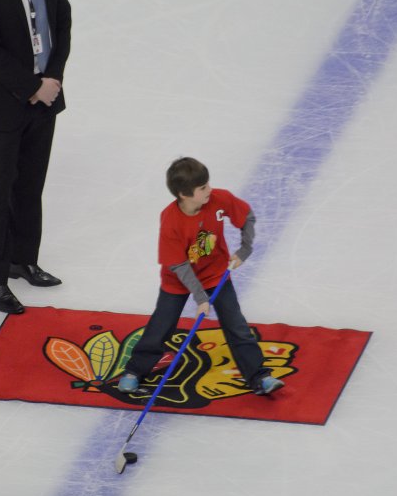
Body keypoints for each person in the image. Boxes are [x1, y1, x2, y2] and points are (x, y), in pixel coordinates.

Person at [118, 157, 285, 396]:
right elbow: (179, 265)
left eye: (208, 184)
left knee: (236, 326)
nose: (210, 190)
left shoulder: (219, 199)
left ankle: (259, 376)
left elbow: (246, 216)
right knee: (161, 327)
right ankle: (134, 371)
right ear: (184, 194)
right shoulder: (170, 220)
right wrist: (200, 298)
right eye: (203, 188)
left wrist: (245, 249)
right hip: (178, 280)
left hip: (215, 275)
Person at [0, 0, 72, 314]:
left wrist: (51, 79)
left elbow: (62, 26)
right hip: (4, 104)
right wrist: (31, 87)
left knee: (30, 187)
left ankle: (24, 260)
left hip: (46, 101)